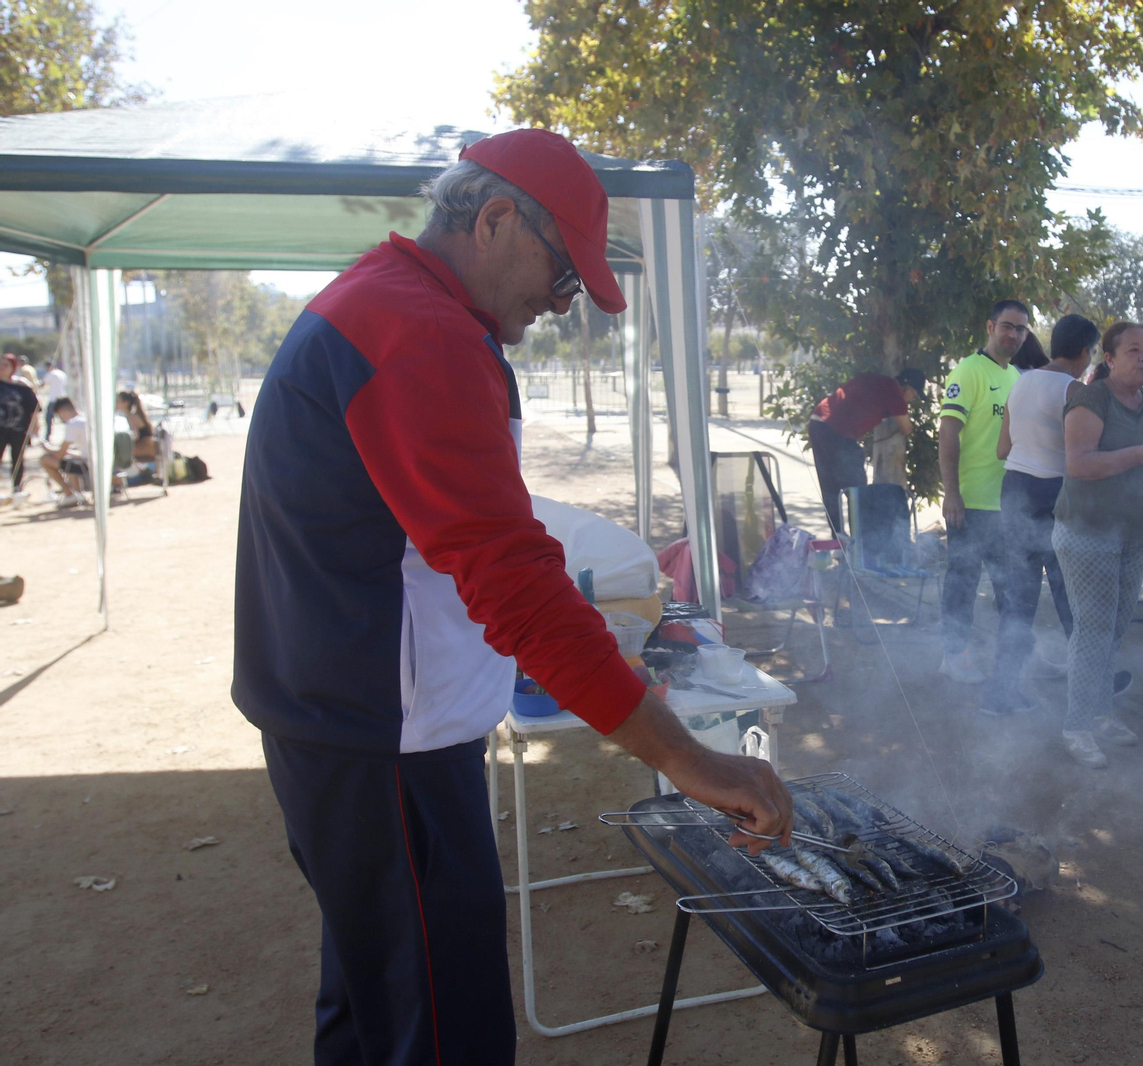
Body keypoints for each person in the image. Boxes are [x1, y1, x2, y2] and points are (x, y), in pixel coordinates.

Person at [233, 129, 792, 1065]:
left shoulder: (382, 299)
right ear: (495, 220)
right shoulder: (420, 332)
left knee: (375, 1004)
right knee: (444, 1031)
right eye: (563, 273)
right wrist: (688, 759)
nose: (563, 302)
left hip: (342, 726)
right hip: (387, 744)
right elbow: (512, 581)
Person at [1055, 322, 1143, 766]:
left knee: (1115, 629)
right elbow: (1079, 464)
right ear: (1110, 358)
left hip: (1138, 532)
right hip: (1089, 530)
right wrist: (1136, 455)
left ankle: (1100, 713)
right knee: (1093, 629)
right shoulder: (1091, 398)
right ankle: (1077, 726)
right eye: (1133, 350)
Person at [987, 314, 1096, 714]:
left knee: (1019, 598)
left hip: (1015, 487)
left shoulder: (1022, 381)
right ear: (1084, 351)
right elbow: (1084, 455)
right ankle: (1093, 685)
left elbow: (1003, 449)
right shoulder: (1073, 390)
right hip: (1053, 494)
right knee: (1073, 593)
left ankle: (999, 695)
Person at [938, 299, 1027, 683]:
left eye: (1021, 329)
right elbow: (948, 433)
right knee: (962, 583)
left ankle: (1021, 657)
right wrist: (951, 492)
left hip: (1010, 504)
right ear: (990, 327)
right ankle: (953, 656)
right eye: (1007, 326)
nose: (1014, 335)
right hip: (971, 503)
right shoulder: (969, 371)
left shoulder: (1018, 377)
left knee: (1015, 589)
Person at [807, 368, 924, 533]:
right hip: (837, 431)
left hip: (817, 422)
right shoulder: (894, 393)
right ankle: (861, 539)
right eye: (915, 395)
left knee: (829, 487)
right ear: (908, 388)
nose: (912, 400)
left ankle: (838, 538)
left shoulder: (876, 380)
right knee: (858, 490)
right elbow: (906, 428)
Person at [0, 353, 40, 494]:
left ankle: (17, 487)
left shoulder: (22, 385)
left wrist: (35, 425)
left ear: (13, 367)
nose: (2, 367)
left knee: (17, 459)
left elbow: (33, 407)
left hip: (19, 429)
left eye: (5, 365)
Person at [39, 397, 88, 505]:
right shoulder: (86, 418)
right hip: (91, 460)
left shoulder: (73, 423)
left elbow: (60, 454)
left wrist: (48, 448)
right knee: (69, 459)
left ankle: (69, 493)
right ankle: (78, 493)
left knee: (44, 459)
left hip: (88, 465)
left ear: (62, 411)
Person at [116, 390, 159, 463]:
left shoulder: (132, 417)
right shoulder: (131, 415)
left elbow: (135, 435)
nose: (115, 404)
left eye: (117, 401)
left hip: (143, 448)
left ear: (125, 403)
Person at [41, 360, 67, 439]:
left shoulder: (51, 374)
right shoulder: (62, 373)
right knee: (65, 419)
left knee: (48, 418)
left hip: (53, 399)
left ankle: (47, 437)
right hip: (62, 398)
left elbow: (43, 384)